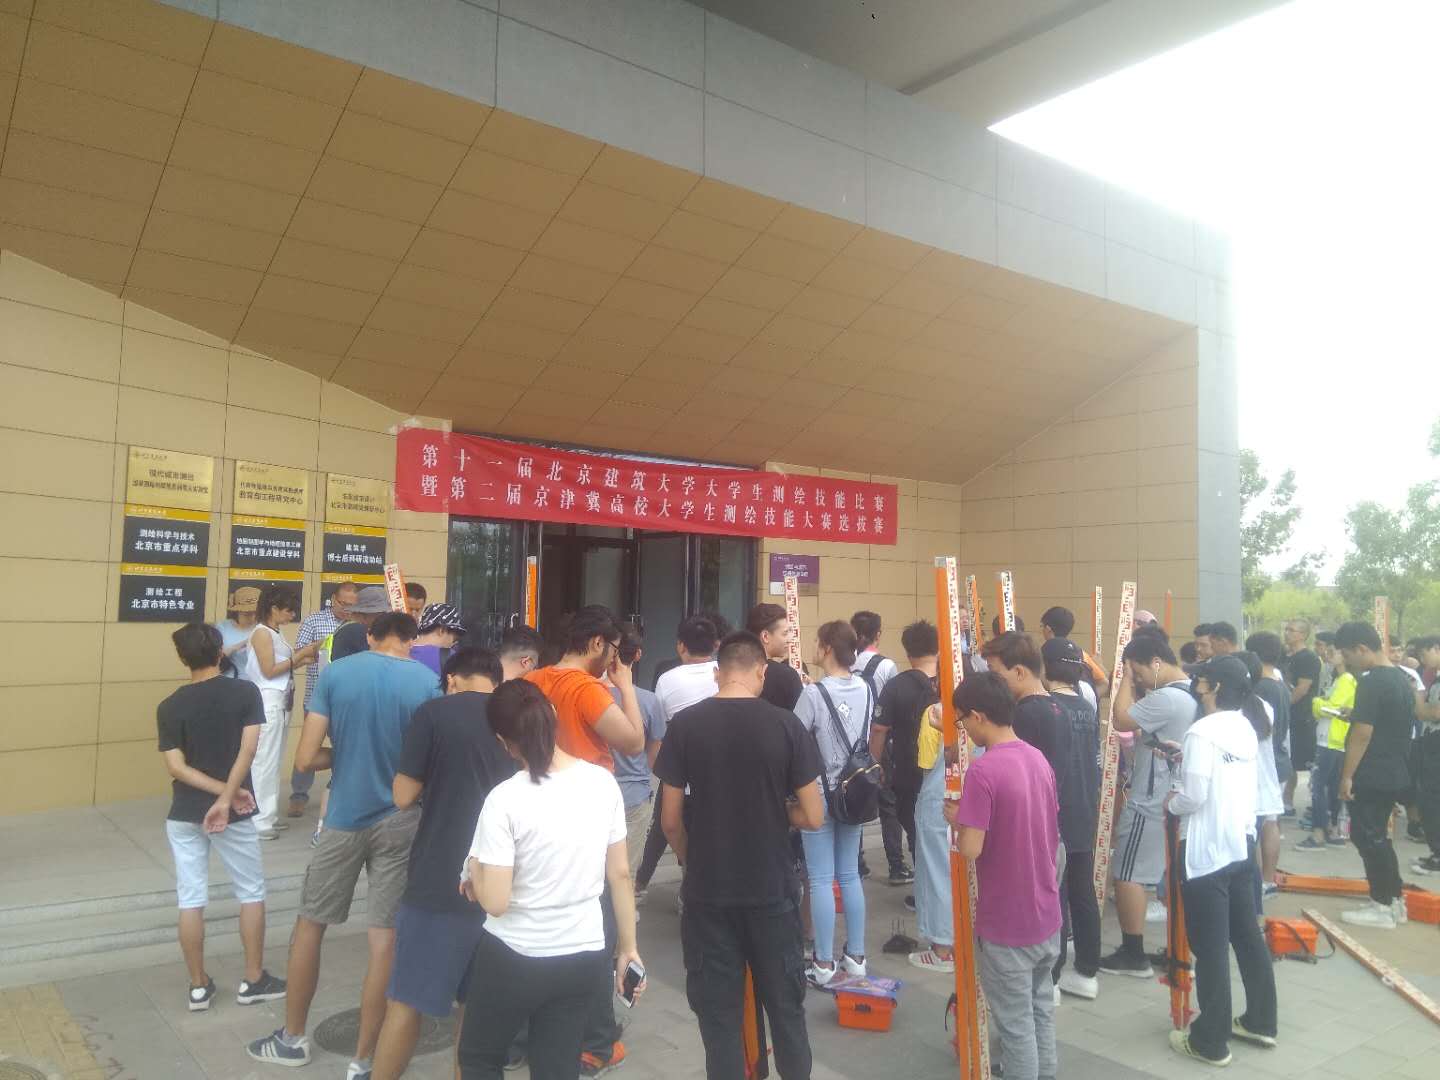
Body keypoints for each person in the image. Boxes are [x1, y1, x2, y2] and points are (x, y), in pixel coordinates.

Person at [246, 612, 440, 1076]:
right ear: (410, 640)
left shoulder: (336, 674)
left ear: (370, 635)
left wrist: (346, 753)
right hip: (402, 819)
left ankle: (292, 1039)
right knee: (384, 938)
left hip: (343, 819)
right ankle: (365, 1059)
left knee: (310, 925)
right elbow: (431, 760)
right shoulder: (428, 682)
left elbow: (306, 759)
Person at [656, 631, 823, 1079]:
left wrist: (693, 861)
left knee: (719, 1019)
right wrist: (779, 809)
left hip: (708, 894)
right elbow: (813, 815)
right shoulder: (786, 725)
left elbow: (669, 821)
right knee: (786, 1011)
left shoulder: (685, 725)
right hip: (772, 891)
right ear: (761, 673)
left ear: (718, 673)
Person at [458, 679, 645, 1080]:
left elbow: (495, 902)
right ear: (554, 716)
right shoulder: (601, 783)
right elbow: (620, 873)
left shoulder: (504, 799)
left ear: (504, 742)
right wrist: (628, 948)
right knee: (557, 1066)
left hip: (513, 955)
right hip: (583, 953)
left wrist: (474, 867)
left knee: (479, 1058)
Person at [372, 647, 515, 1080]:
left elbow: (402, 796)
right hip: (503, 884)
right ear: (496, 680)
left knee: (407, 1001)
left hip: (439, 878)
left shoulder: (433, 713)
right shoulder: (519, 716)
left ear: (451, 679)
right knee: (475, 1012)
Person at [525, 606, 644, 1077]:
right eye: (613, 650)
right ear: (597, 643)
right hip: (588, 813)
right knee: (597, 925)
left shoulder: (534, 681)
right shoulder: (585, 688)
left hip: (539, 808)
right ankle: (597, 1041)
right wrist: (626, 686)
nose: (614, 659)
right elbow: (633, 741)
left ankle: (539, 1026)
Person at [158, 623, 286, 1012]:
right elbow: (248, 752)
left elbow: (176, 768)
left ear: (182, 658)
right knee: (251, 892)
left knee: (190, 898)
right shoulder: (244, 692)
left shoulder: (169, 705)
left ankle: (198, 987)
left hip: (183, 813)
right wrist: (228, 797)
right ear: (219, 652)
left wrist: (219, 795)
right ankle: (253, 979)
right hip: (234, 814)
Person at [947, 671, 1061, 1080]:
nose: (963, 728)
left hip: (1007, 924)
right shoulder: (1037, 758)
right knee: (1040, 1010)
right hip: (1046, 914)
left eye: (962, 720)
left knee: (1015, 1027)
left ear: (978, 716)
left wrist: (958, 821)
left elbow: (971, 848)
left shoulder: (983, 771)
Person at [1164, 656, 1278, 1067]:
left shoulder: (1202, 731)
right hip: (1240, 846)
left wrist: (1171, 802)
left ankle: (1211, 1041)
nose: (1197, 686)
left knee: (1209, 948)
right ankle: (1261, 1021)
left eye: (1201, 681)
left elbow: (1193, 796)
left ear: (1211, 688)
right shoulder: (1244, 726)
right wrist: (1188, 755)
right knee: (1246, 936)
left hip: (1205, 852)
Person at [1100, 634, 1197, 977]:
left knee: (1128, 875)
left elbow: (1121, 719)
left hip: (1150, 802)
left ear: (1156, 662)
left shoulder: (1167, 698)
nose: (1138, 680)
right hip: (1173, 798)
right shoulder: (1191, 691)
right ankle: (1177, 950)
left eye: (1138, 671)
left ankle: (1133, 954)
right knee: (1169, 880)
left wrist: (1124, 679)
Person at [793, 620, 872, 985]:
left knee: (821, 879)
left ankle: (823, 963)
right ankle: (856, 957)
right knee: (849, 875)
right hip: (855, 792)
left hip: (819, 794)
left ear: (826, 648)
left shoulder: (813, 694)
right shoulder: (866, 688)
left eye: (816, 641)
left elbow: (794, 739)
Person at [1334, 621, 1415, 928]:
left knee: (1367, 836)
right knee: (1378, 837)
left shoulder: (1372, 682)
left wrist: (1347, 776)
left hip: (1372, 771)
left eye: (1347, 654)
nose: (1347, 661)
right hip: (1393, 769)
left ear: (1361, 649)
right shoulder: (1400, 678)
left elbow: (1363, 734)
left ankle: (1382, 905)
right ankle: (1393, 900)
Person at [1041, 637, 1102, 1001]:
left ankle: (1052, 976)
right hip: (1085, 807)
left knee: (1056, 894)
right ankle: (1088, 971)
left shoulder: (1047, 709)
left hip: (1057, 811)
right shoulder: (1086, 707)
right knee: (1083, 890)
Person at [241, 585, 318, 840]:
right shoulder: (262, 633)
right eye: (288, 610)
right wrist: (300, 656)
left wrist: (303, 658)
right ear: (273, 608)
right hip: (268, 702)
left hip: (280, 702)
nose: (291, 615)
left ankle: (268, 815)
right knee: (264, 762)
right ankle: (258, 821)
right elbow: (269, 670)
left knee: (273, 762)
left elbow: (281, 666)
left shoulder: (274, 632)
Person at [870, 621, 939, 899]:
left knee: (915, 829)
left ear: (908, 652)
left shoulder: (896, 686)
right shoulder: (954, 680)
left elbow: (879, 729)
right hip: (948, 771)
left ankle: (924, 890)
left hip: (908, 772)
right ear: (937, 648)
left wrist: (875, 764)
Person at [288, 582, 360, 818]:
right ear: (333, 600)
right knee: (309, 747)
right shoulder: (314, 621)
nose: (347, 609)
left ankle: (340, 793)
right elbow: (298, 654)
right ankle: (299, 795)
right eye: (343, 604)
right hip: (317, 697)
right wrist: (324, 644)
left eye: (352, 605)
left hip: (348, 699)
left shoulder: (359, 625)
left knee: (346, 745)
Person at [850, 610, 910, 886]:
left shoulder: (848, 663)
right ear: (878, 634)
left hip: (854, 742)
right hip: (881, 741)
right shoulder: (886, 666)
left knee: (857, 799)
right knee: (888, 804)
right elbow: (893, 707)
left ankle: (858, 863)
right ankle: (896, 865)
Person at [607, 624, 666, 889]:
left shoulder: (589, 695)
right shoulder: (650, 701)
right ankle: (624, 911)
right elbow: (654, 756)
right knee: (626, 872)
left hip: (592, 795)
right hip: (635, 793)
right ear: (638, 654)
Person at [1234, 650, 1285, 907]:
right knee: (1266, 827)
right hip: (1264, 781)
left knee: (1247, 845)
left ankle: (1252, 900)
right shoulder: (1263, 706)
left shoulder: (1235, 710)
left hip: (1246, 786)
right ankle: (1266, 883)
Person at [1297, 647, 1355, 850]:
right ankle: (1331, 830)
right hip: (1330, 738)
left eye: (1334, 651)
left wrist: (1316, 702)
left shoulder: (1346, 679)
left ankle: (1319, 833)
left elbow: (1331, 709)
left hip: (1331, 739)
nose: (1329, 655)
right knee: (1329, 786)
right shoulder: (1337, 679)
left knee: (1318, 786)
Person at [1282, 619, 1322, 817]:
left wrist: (1284, 705)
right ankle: (1287, 803)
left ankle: (1317, 804)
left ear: (1303, 635)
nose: (1287, 633)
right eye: (1286, 629)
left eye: (1292, 630)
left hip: (1302, 717)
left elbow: (1302, 688)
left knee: (1306, 762)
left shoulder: (1308, 658)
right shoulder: (1285, 656)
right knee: (1289, 761)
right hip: (1288, 718)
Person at [654, 615, 721, 722]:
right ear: (715, 646)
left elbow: (659, 723)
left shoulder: (665, 680)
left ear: (681, 647)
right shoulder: (726, 672)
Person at [1039, 605, 1110, 706]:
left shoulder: (1041, 654)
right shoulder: (1080, 654)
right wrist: (1085, 701)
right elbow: (1104, 683)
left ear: (1048, 629)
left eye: (1041, 626)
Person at [1412, 636, 1440, 876]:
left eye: (1424, 654)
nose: (1422, 660)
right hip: (1430, 741)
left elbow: (1430, 713)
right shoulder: (1435, 677)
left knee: (1432, 798)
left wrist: (1418, 696)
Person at [746, 603, 803, 710]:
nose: (790, 639)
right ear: (765, 636)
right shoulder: (787, 676)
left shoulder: (735, 671)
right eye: (785, 633)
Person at [331, 585, 394, 660]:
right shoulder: (357, 630)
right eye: (381, 613)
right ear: (368, 613)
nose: (384, 618)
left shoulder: (347, 627)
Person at [410, 603, 466, 677]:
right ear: (442, 630)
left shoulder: (400, 650)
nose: (453, 644)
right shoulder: (450, 658)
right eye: (454, 639)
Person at [217, 585, 259, 675]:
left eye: (255, 613)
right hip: (229, 679)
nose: (253, 617)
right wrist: (238, 646)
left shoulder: (265, 629)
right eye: (247, 614)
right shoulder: (223, 627)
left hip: (256, 681)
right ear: (237, 611)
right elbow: (212, 660)